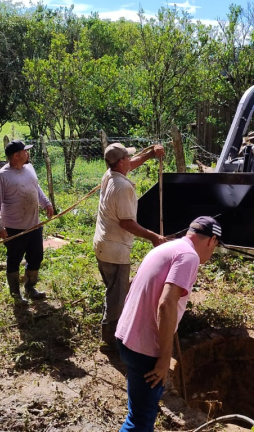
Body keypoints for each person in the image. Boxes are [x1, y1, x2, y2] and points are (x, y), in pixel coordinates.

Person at [115, 216, 222, 432]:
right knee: (139, 423)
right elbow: (166, 304)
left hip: (126, 337)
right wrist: (165, 358)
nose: (213, 252)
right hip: (145, 349)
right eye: (216, 246)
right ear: (212, 240)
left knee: (138, 413)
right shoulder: (189, 257)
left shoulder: (167, 247)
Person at [94, 142, 166, 352]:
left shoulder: (109, 174)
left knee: (113, 290)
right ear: (120, 162)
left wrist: (150, 154)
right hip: (114, 250)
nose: (130, 160)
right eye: (127, 157)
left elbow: (131, 164)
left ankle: (112, 333)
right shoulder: (123, 188)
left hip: (103, 245)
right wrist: (153, 236)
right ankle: (111, 340)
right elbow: (126, 223)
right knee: (117, 296)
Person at [0, 140, 55, 305]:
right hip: (13, 227)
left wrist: (46, 203)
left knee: (36, 256)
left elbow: (36, 188)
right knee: (14, 259)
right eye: (25, 151)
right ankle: (15, 293)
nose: (28, 153)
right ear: (16, 155)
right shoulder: (1, 176)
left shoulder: (29, 168)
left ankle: (30, 287)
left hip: (34, 224)